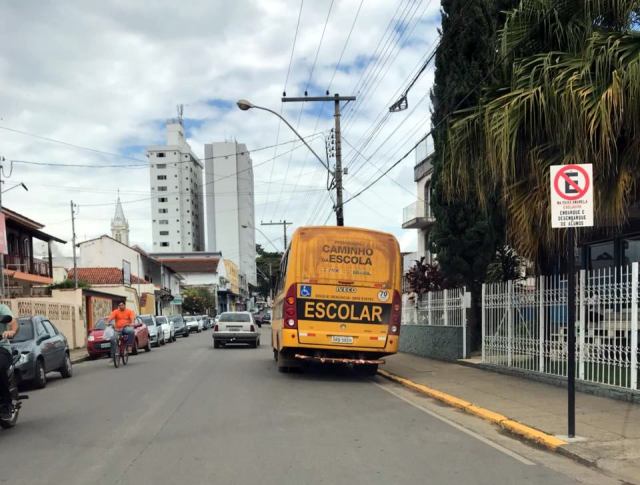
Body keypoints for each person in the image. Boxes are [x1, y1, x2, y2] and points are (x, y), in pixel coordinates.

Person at [0, 303, 18, 419]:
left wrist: (12, 331)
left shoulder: (2, 308)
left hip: (2, 348)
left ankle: (6, 404)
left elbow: (13, 322)